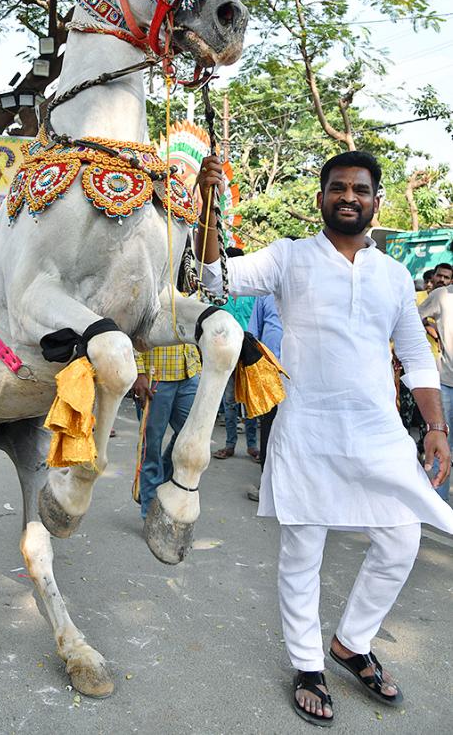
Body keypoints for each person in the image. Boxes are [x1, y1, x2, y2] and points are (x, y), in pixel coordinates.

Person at [196, 149, 453, 727]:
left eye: (360, 190)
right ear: (321, 198)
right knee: (302, 553)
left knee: (401, 540)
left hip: (378, 431)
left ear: (375, 201)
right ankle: (309, 663)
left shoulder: (391, 275)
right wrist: (207, 204)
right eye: (338, 188)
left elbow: (414, 354)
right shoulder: (289, 259)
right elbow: (213, 275)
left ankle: (352, 644)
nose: (348, 198)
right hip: (307, 427)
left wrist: (435, 428)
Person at [133, 342, 201, 522]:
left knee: (189, 438)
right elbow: (131, 331)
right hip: (156, 377)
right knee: (151, 446)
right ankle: (150, 513)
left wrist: (198, 366)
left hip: (189, 374)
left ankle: (157, 484)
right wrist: (139, 372)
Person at [213, 250, 259, 459]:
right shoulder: (217, 295)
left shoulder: (255, 293)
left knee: (249, 401)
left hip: (250, 353)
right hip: (226, 353)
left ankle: (252, 445)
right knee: (229, 401)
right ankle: (230, 444)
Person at [245, 293, 284, 501]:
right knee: (269, 430)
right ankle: (267, 486)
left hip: (303, 376)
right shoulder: (265, 296)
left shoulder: (311, 288)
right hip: (271, 376)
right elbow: (253, 334)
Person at [418, 280, 453, 502]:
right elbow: (411, 317)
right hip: (446, 381)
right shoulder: (442, 296)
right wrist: (431, 332)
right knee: (443, 443)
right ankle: (439, 503)